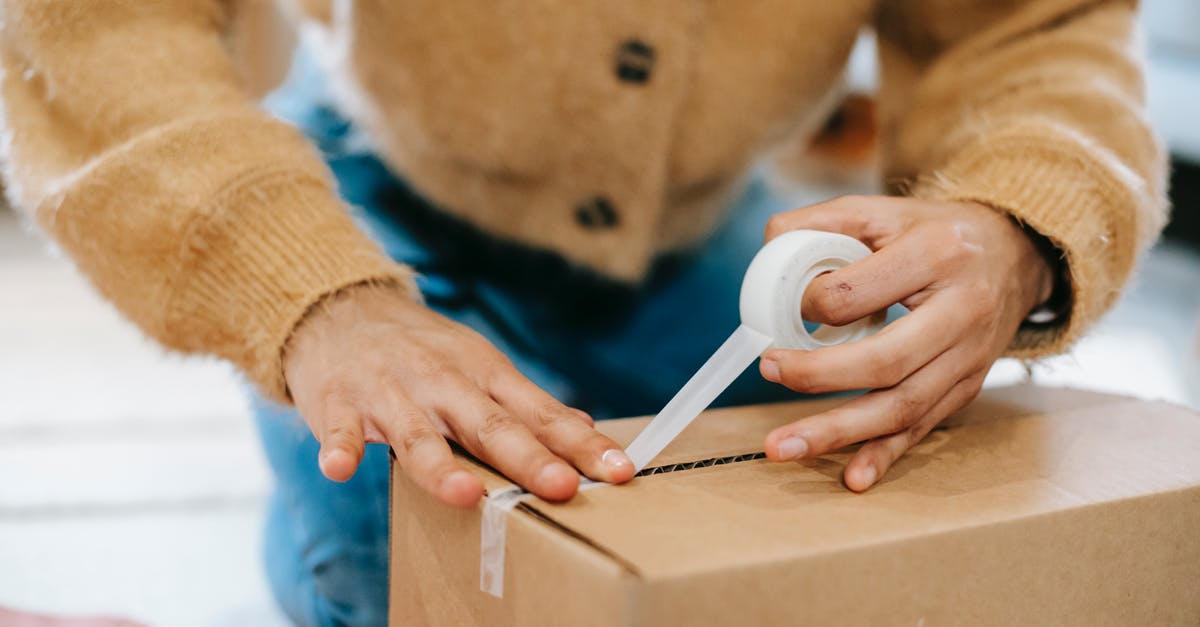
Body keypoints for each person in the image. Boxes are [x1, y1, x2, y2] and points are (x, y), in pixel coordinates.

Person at [0, 1, 1166, 625]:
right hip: (365, 193)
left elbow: (1034, 29)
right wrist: (308, 294)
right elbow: (96, 22)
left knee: (833, 548)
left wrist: (1021, 222)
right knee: (397, 583)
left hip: (706, 228)